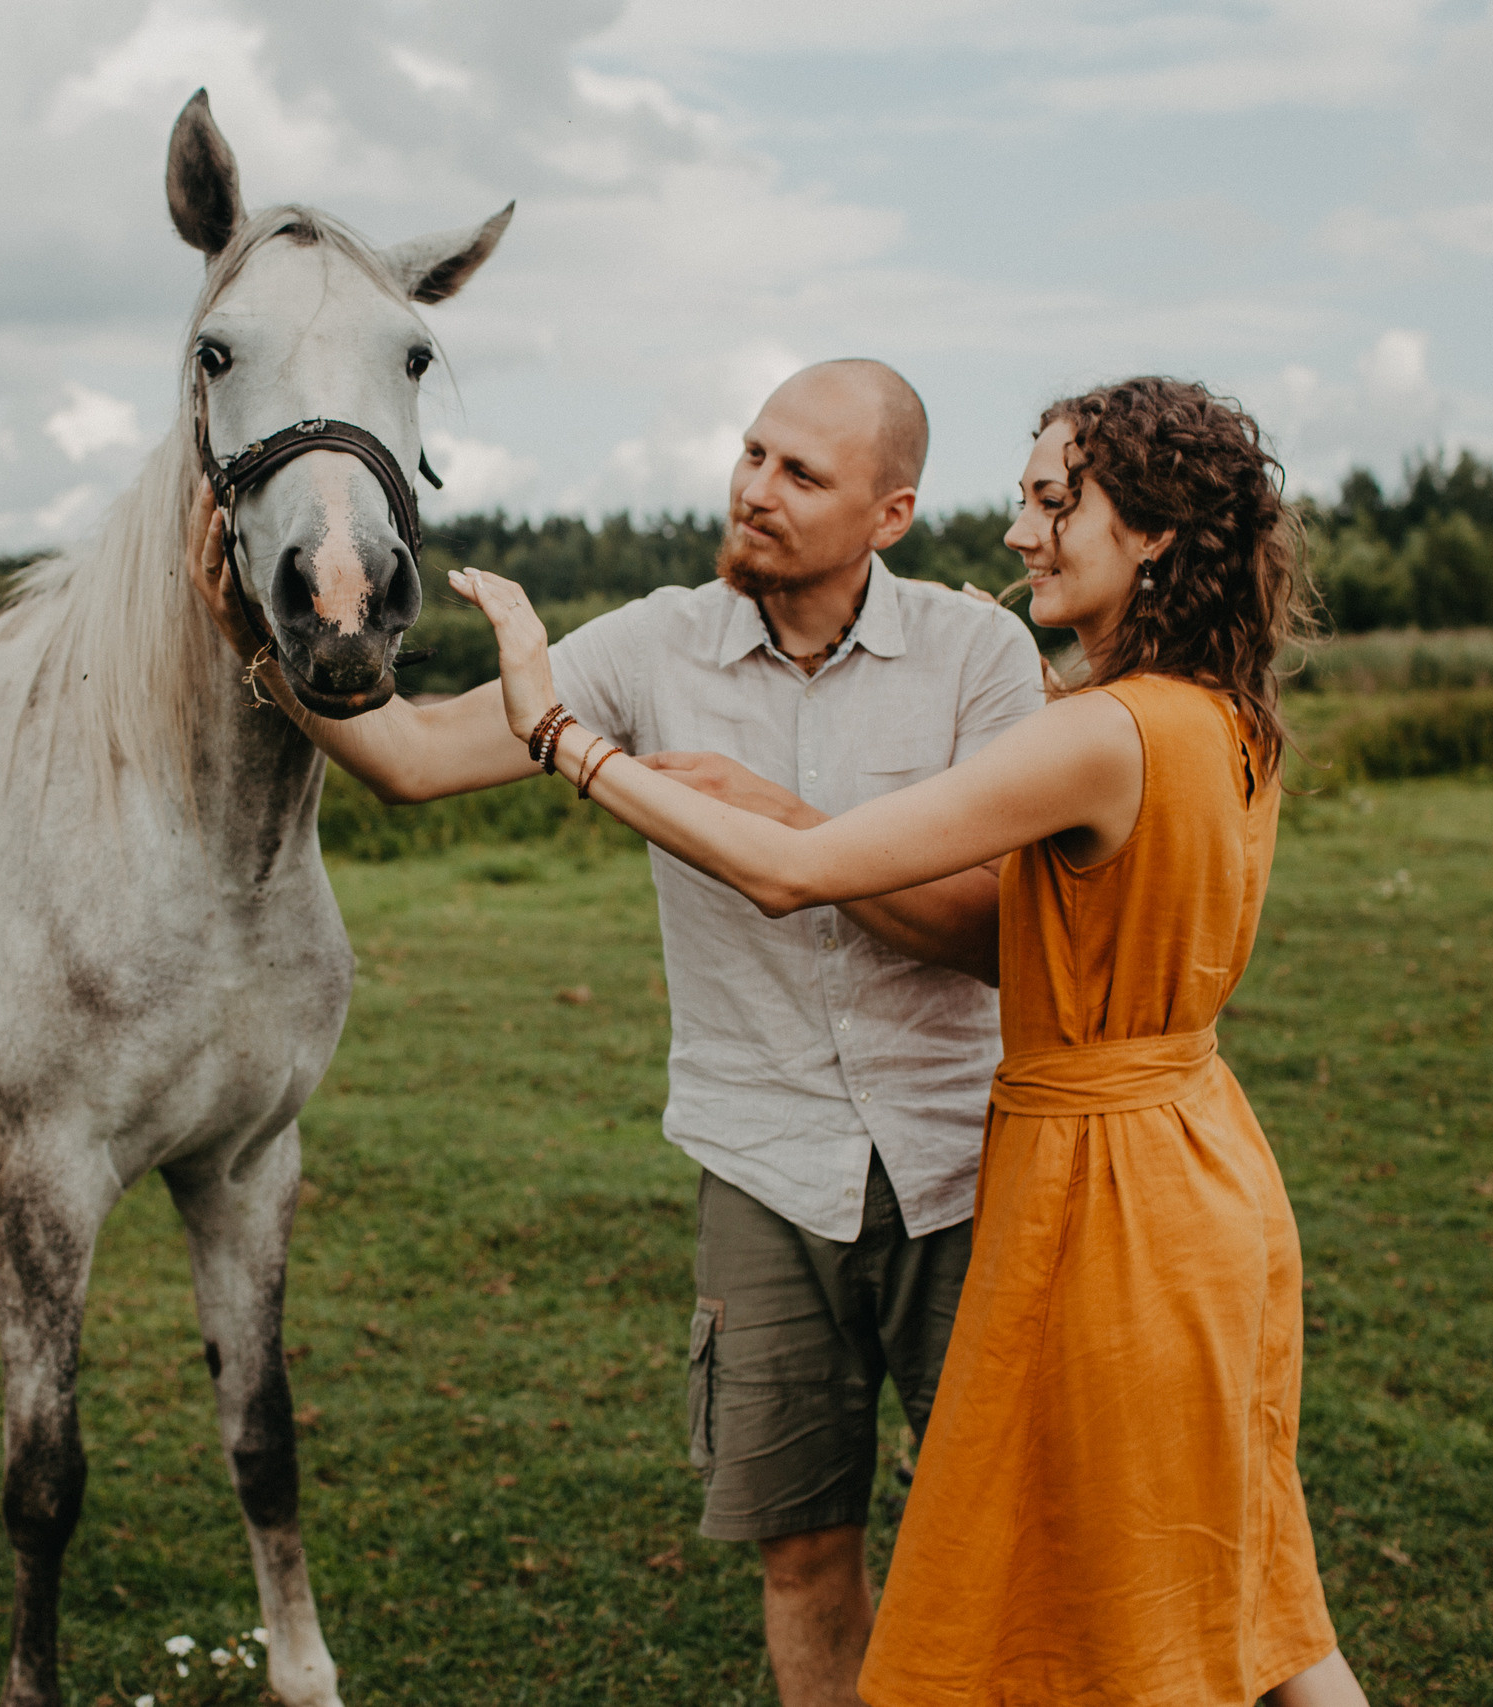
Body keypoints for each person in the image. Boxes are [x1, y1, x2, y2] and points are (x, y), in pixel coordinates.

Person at [445, 376, 1369, 1706]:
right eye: (1024, 500)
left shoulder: (1097, 737)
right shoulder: (1222, 716)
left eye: (1058, 502)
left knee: (1130, 1596)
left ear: (1156, 535)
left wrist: (560, 734)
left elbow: (783, 870)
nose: (1021, 534)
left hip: (1107, 1193)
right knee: (1259, 1588)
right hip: (1202, 1160)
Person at [194, 360, 1044, 1707]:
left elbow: (1005, 930)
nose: (755, 490)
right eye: (753, 454)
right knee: (804, 1551)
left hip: (972, 1165)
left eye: (801, 474)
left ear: (890, 515)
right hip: (761, 1171)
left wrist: (783, 824)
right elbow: (415, 757)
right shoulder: (650, 649)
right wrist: (263, 626)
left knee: (1002, 1543)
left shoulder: (978, 655)